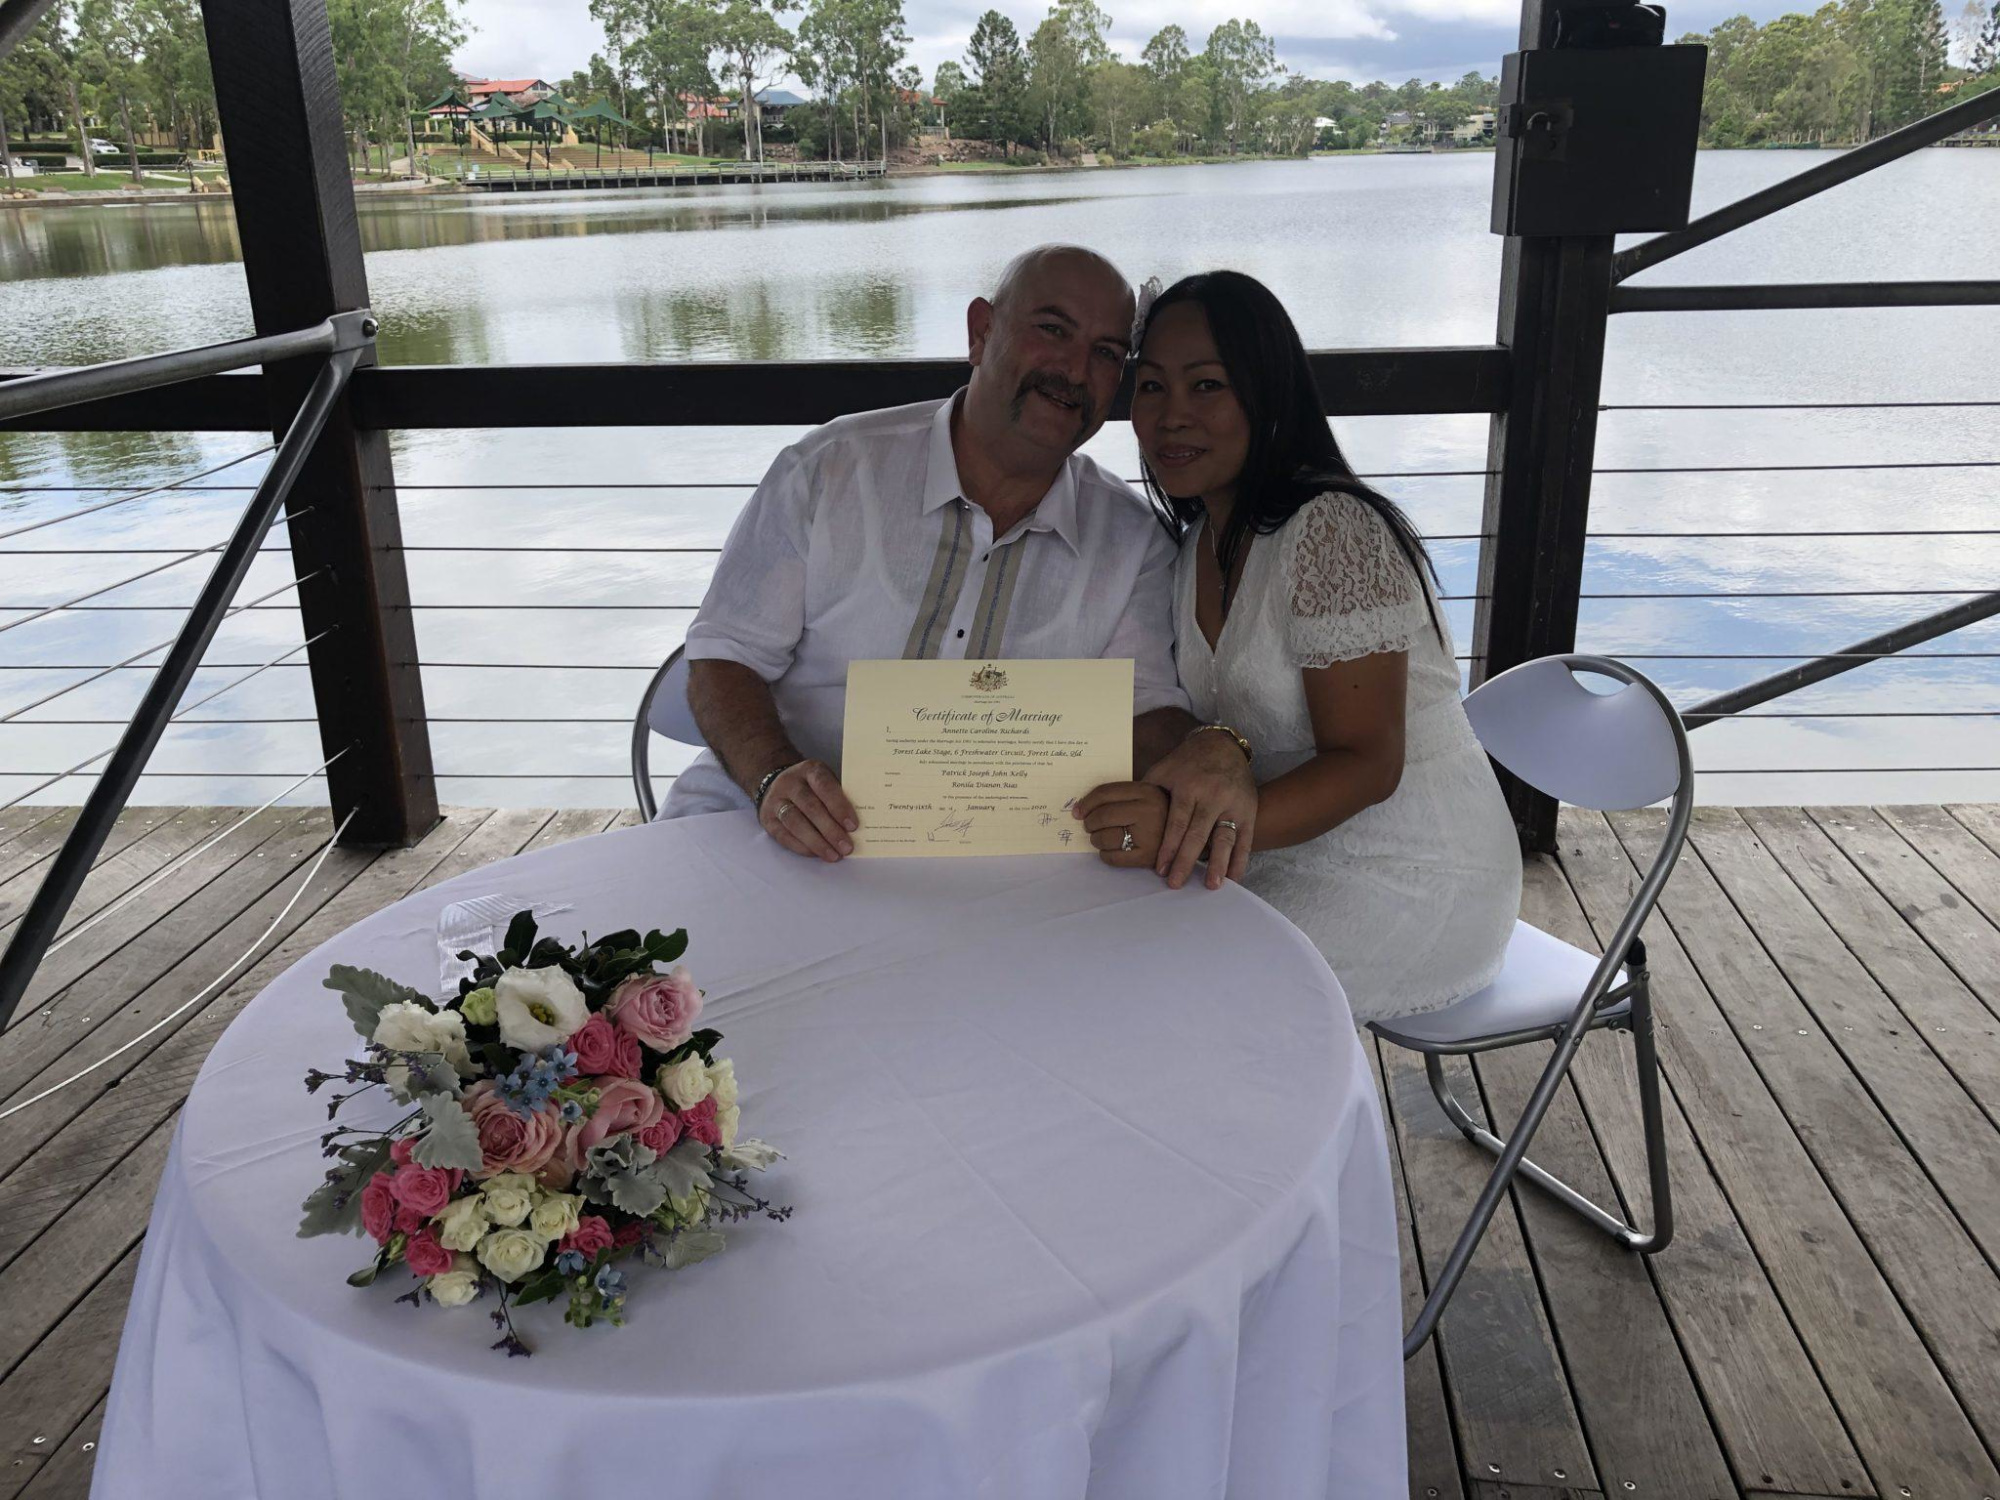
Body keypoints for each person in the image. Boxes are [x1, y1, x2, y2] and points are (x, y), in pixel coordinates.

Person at [663, 244, 1259, 877]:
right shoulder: (832, 471)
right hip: (773, 829)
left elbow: (1144, 711)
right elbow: (725, 657)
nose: (1074, 369)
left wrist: (1209, 745)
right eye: (1052, 330)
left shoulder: (1134, 543)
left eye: (1107, 353)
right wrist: (772, 777)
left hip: (1007, 862)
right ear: (981, 332)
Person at [1077, 271, 1519, 1021]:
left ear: (1268, 391)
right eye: (1150, 388)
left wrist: (1191, 827)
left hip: (1415, 875)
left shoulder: (1333, 530)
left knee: (1168, 992)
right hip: (1279, 848)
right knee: (1095, 931)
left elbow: (1370, 765)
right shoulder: (1192, 548)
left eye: (1207, 386)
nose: (1171, 417)